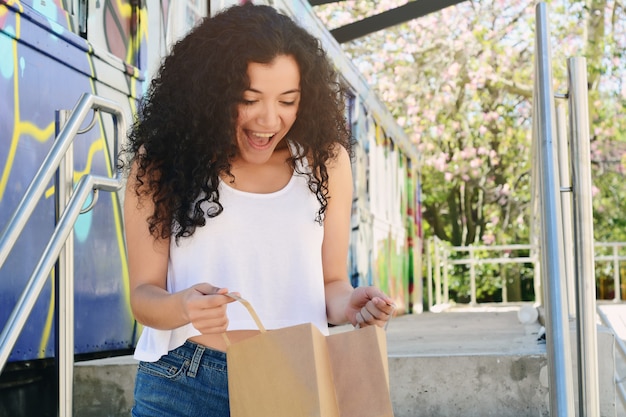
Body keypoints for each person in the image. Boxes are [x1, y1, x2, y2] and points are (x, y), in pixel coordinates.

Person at [121, 3, 395, 416]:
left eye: (288, 100)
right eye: (249, 99)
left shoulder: (326, 162)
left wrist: (352, 303)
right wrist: (183, 307)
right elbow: (143, 296)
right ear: (210, 94)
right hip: (185, 382)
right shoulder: (161, 163)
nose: (270, 119)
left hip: (297, 377)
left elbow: (332, 283)